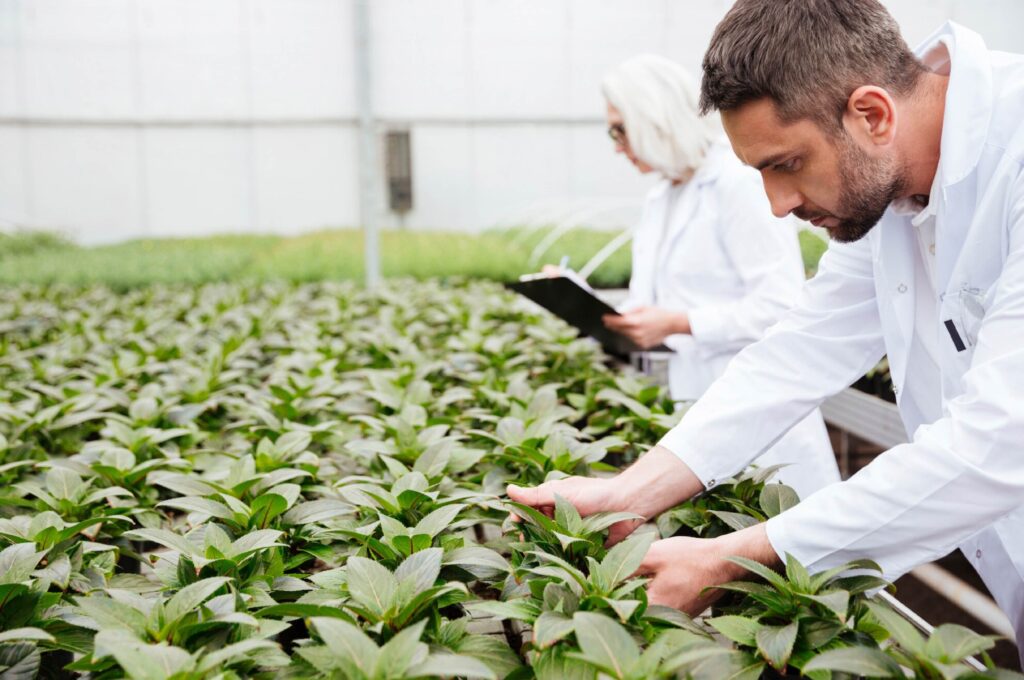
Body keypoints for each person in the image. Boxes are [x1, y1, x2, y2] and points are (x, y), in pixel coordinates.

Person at [510, 0, 1024, 664]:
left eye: (785, 164)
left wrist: (737, 557)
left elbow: (1000, 438)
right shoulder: (889, 188)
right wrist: (627, 492)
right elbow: (799, 347)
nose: (778, 205)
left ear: (872, 114)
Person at [574, 55, 840, 499]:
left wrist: (681, 323)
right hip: (696, 402)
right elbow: (654, 300)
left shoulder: (737, 181)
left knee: (783, 548)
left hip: (759, 405)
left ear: (653, 119)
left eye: (619, 130)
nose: (616, 145)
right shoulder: (663, 195)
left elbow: (780, 305)